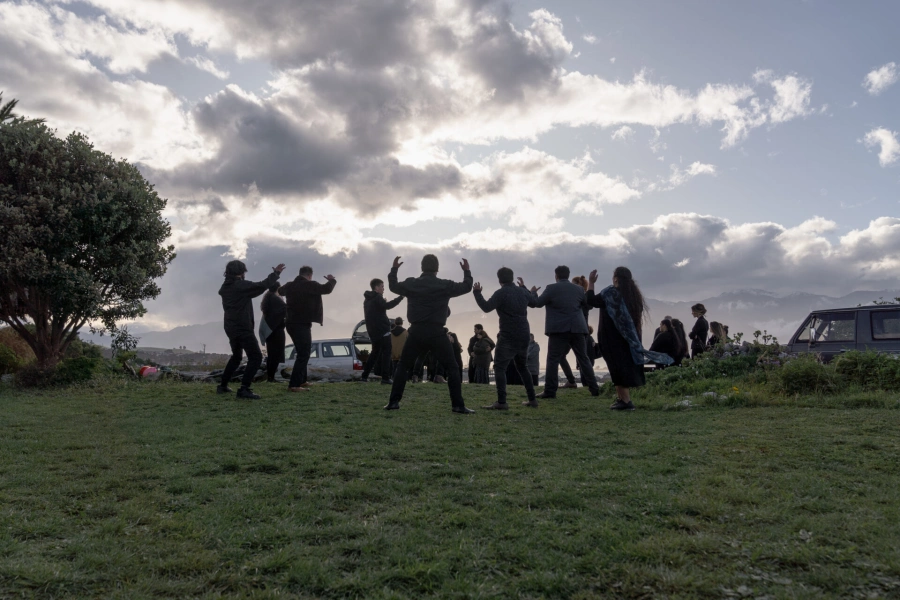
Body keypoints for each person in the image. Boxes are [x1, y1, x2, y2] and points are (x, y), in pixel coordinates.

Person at [385, 254, 475, 414]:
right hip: (437, 332)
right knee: (452, 367)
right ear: (437, 268)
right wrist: (466, 271)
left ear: (422, 267)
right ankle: (457, 405)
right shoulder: (444, 285)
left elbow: (393, 286)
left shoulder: (412, 283)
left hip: (416, 331)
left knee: (403, 366)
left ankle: (393, 402)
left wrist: (394, 269)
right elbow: (466, 287)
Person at [587, 266, 673, 410]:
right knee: (623, 367)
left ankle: (626, 401)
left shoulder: (610, 293)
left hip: (612, 338)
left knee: (616, 368)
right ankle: (621, 399)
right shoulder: (634, 296)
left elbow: (591, 301)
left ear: (616, 279)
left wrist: (591, 282)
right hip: (631, 339)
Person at [519, 265, 599, 401]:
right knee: (583, 358)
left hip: (558, 330)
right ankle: (594, 389)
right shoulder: (579, 289)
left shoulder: (551, 288)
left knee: (553, 360)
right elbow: (589, 305)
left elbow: (536, 303)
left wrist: (531, 292)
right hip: (578, 329)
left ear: (556, 276)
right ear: (568, 275)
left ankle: (550, 391)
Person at [218, 260, 285, 399]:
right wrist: (276, 274)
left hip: (230, 327)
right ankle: (244, 389)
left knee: (237, 356)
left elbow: (258, 287)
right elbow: (261, 285)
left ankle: (222, 385)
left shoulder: (226, 287)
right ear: (240, 272)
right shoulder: (240, 286)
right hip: (243, 327)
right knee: (256, 357)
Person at [473, 266, 537, 409]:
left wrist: (477, 293)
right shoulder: (522, 292)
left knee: (499, 367)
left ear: (499, 279)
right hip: (524, 334)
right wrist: (529, 290)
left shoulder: (501, 293)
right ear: (512, 277)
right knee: (523, 367)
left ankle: (502, 402)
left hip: (508, 335)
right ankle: (532, 400)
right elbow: (534, 302)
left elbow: (486, 307)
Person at [279, 265, 337, 392]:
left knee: (302, 352)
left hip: (290, 323)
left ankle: (302, 380)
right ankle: (294, 385)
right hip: (301, 324)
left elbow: (280, 291)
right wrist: (332, 280)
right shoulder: (310, 285)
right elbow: (326, 289)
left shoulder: (290, 285)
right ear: (310, 275)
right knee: (304, 354)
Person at [360, 278, 404, 384]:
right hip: (383, 330)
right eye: (382, 286)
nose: (383, 289)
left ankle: (364, 376)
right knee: (387, 353)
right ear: (376, 287)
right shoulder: (377, 297)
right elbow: (388, 306)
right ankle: (385, 378)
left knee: (374, 353)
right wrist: (400, 297)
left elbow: (373, 314)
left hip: (373, 331)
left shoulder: (367, 300)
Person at [259, 286, 287, 383]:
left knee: (271, 355)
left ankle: (270, 377)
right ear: (278, 288)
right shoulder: (276, 299)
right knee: (276, 355)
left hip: (269, 332)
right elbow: (285, 308)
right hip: (277, 330)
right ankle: (271, 377)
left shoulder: (268, 299)